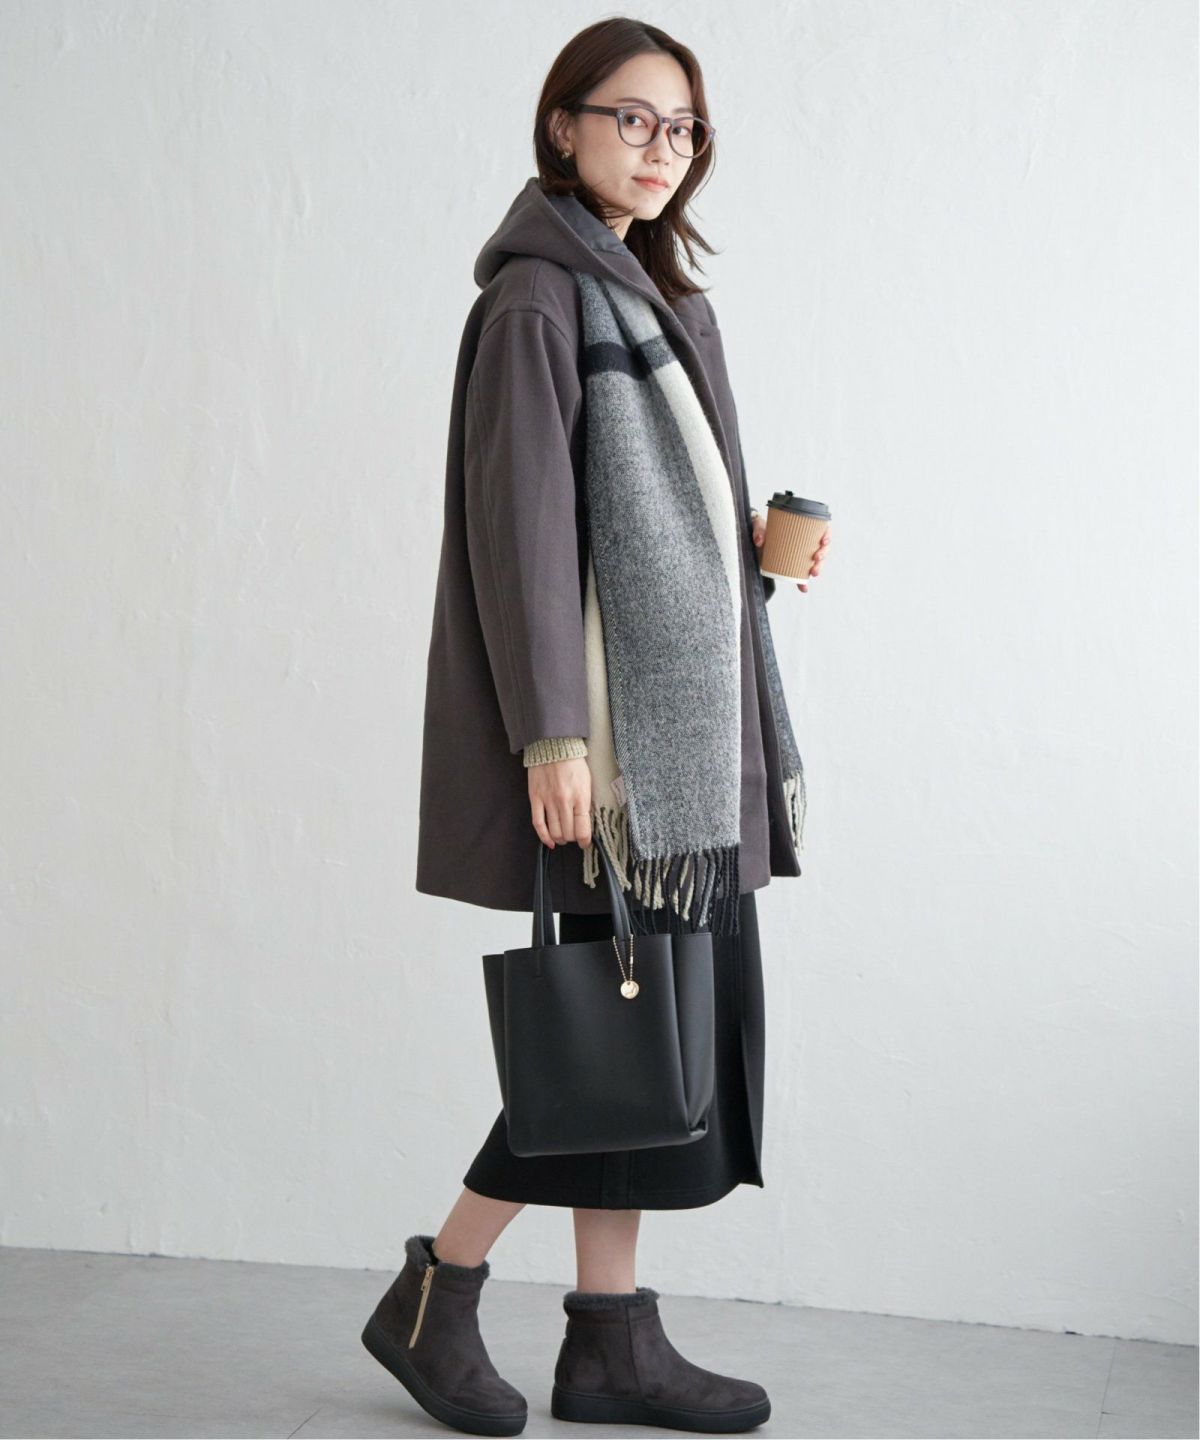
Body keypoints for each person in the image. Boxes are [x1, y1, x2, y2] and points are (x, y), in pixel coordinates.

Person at [361, 18, 831, 1436]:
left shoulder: (661, 299)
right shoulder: (536, 302)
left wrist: (751, 551)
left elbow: (654, 539)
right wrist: (552, 740)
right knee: (615, 1035)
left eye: (682, 128)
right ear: (562, 124)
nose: (661, 148)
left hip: (678, 747)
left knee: (645, 1029)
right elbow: (522, 532)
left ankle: (608, 1342)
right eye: (633, 118)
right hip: (613, 764)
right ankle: (438, 1289)